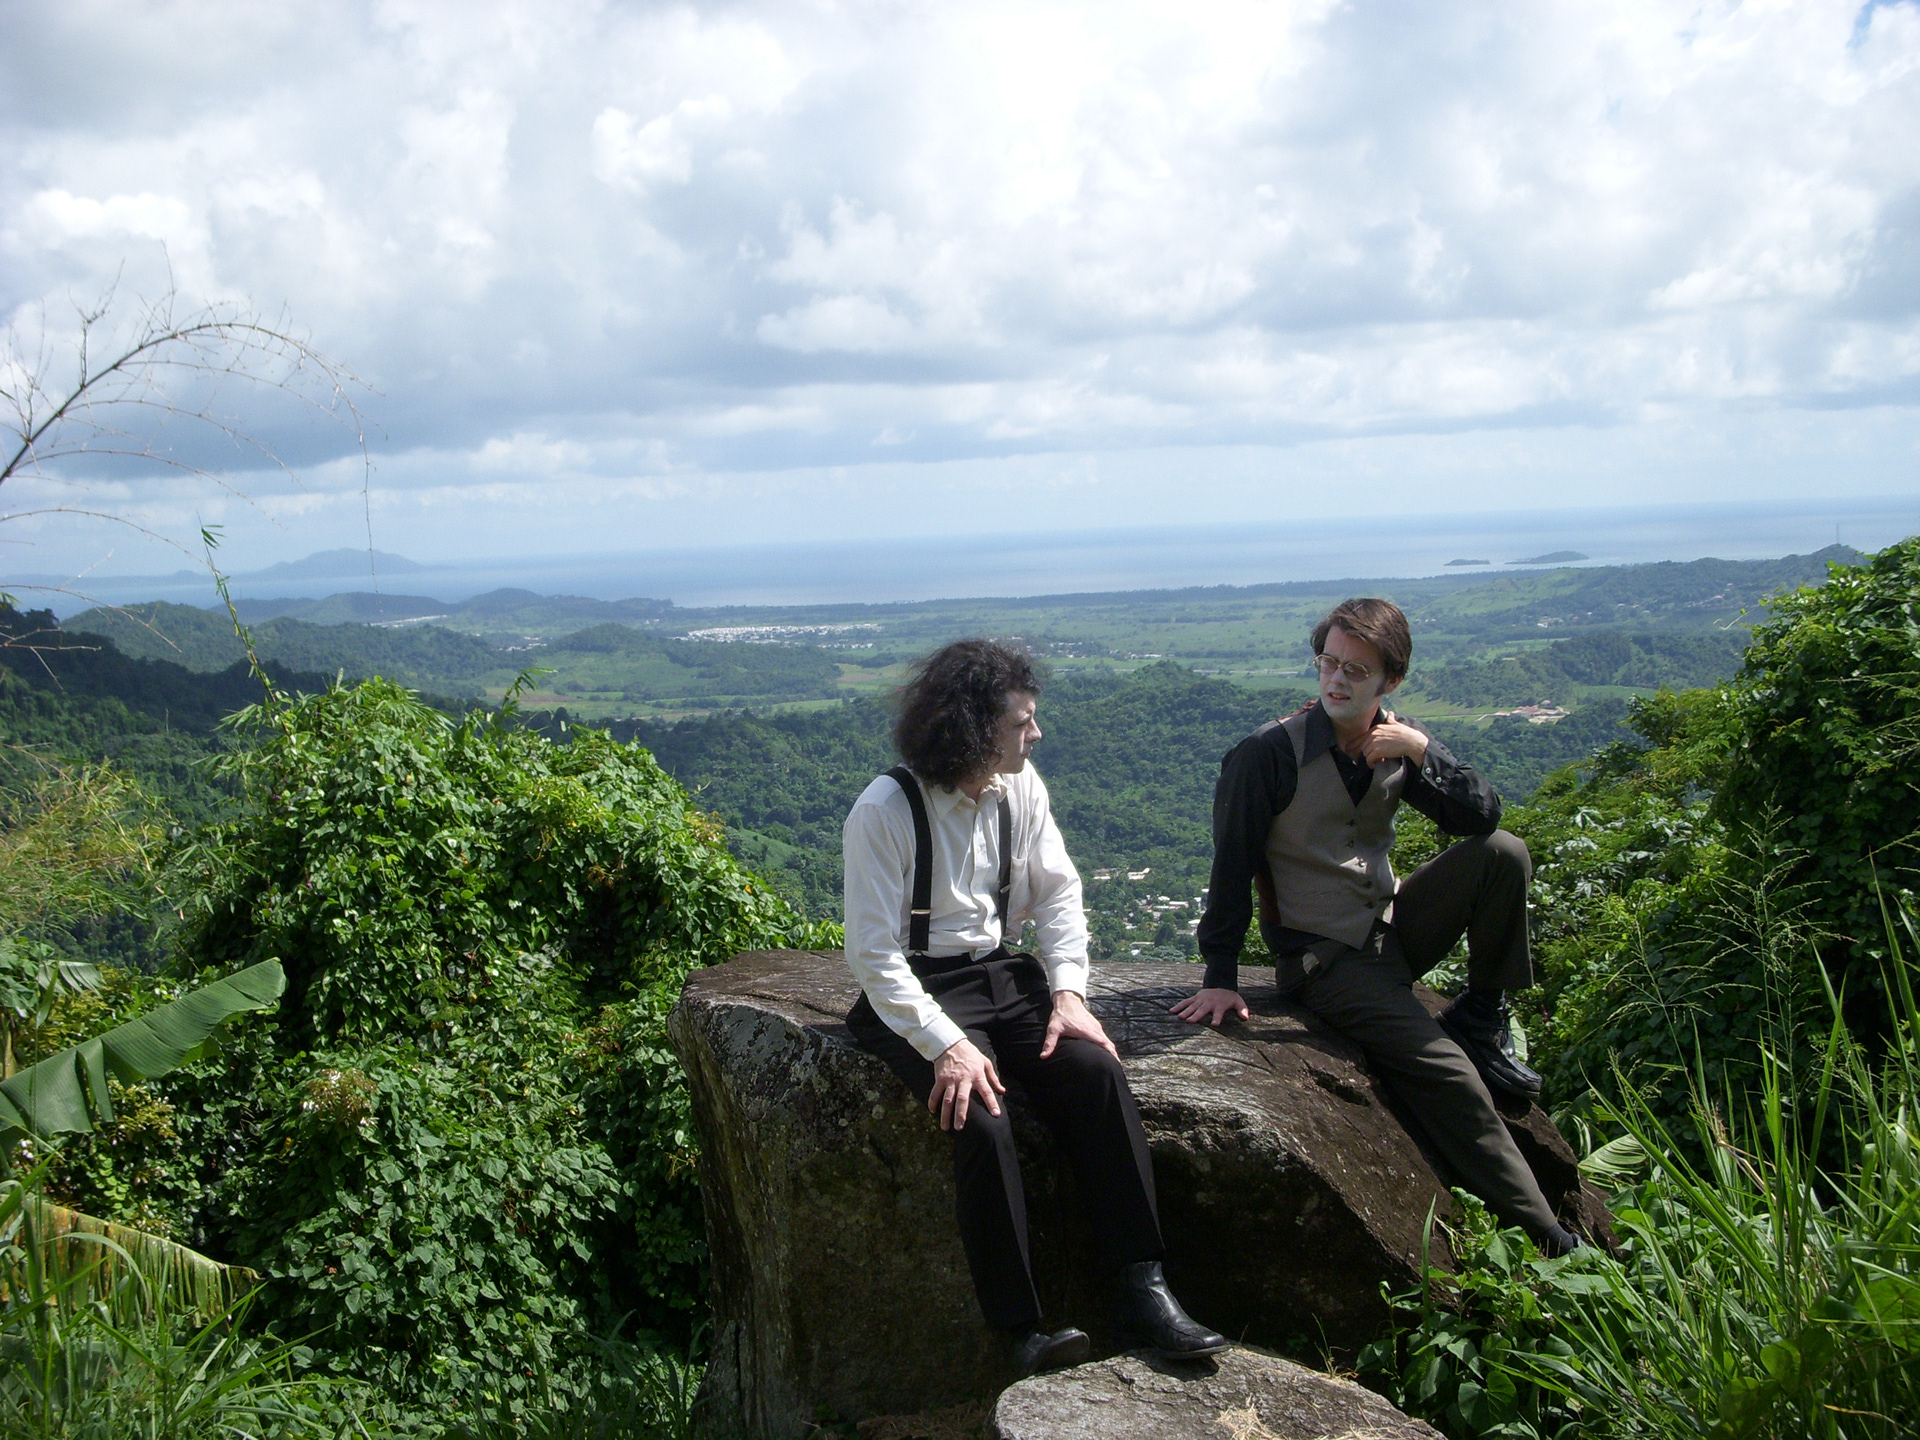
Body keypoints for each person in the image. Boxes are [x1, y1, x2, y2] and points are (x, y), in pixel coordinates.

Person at [843, 639, 1227, 1375]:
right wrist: (945, 1044)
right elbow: (873, 954)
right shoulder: (885, 809)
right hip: (917, 989)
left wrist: (1070, 994)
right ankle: (1018, 1330)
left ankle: (1143, 1286)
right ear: (975, 726)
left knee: (1096, 1072)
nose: (1036, 735)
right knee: (979, 1118)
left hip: (998, 973)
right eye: (1022, 723)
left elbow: (1058, 894)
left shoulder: (1022, 788)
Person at [1171, 599, 1583, 1257]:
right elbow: (1232, 863)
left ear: (1388, 681)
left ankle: (1482, 1012)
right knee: (1448, 1074)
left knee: (1503, 852)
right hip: (1325, 958)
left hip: (1390, 929)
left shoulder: (1394, 740)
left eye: (1354, 672)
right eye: (1328, 663)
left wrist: (1421, 749)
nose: (1335, 681)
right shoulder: (1266, 755)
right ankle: (1549, 1233)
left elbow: (1478, 818)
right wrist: (1220, 975)